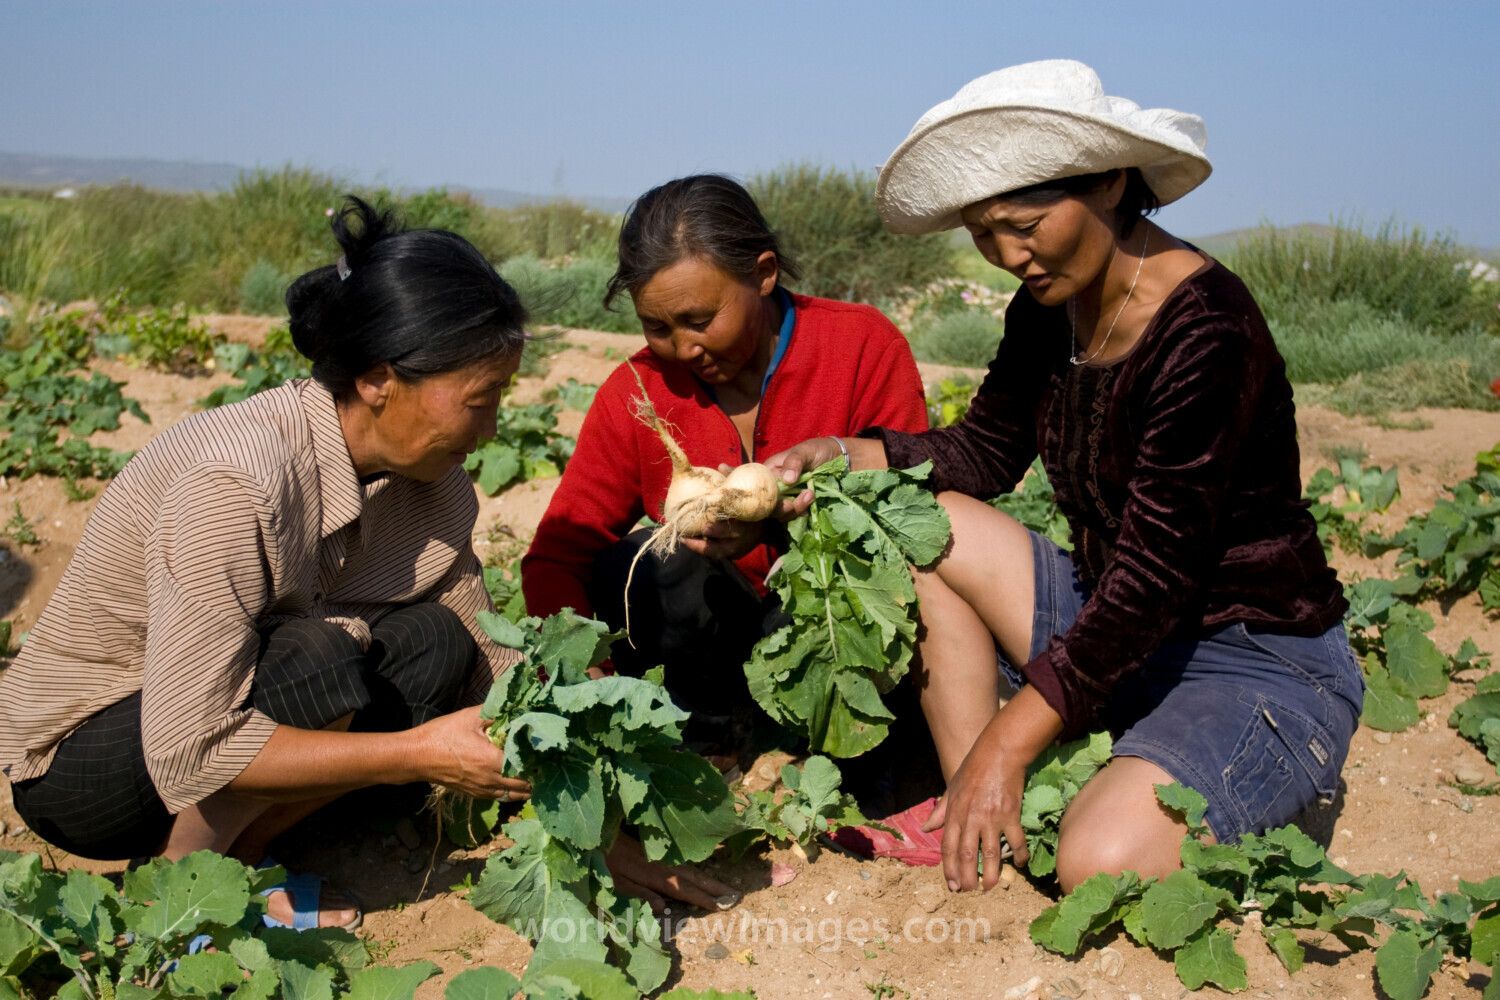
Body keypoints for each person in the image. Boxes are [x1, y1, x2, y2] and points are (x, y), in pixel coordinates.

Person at [0, 197, 732, 927]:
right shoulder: (236, 480)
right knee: (319, 660)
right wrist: (416, 754)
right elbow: (189, 748)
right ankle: (181, 891)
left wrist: (588, 820)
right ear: (381, 379)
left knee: (436, 642)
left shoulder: (431, 481)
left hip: (223, 708)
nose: (491, 428)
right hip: (87, 763)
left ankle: (245, 852)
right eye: (480, 401)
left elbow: (487, 652)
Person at [769, 60, 1360, 893]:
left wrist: (1008, 741)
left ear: (1111, 182)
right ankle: (972, 811)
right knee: (916, 525)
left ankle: (1269, 777)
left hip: (1251, 654)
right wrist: (839, 453)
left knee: (1095, 863)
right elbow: (981, 453)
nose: (1009, 256)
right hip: (1116, 625)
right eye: (984, 233)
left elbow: (1154, 578)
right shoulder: (1050, 308)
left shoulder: (1208, 331)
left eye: (1026, 224)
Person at [523, 174, 928, 741]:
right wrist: (580, 670)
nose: (684, 348)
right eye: (657, 327)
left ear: (764, 274)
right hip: (708, 647)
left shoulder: (861, 346)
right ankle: (706, 741)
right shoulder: (637, 390)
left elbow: (912, 516)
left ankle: (823, 744)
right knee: (650, 560)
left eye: (700, 320)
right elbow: (557, 556)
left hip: (831, 636)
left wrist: (774, 530)